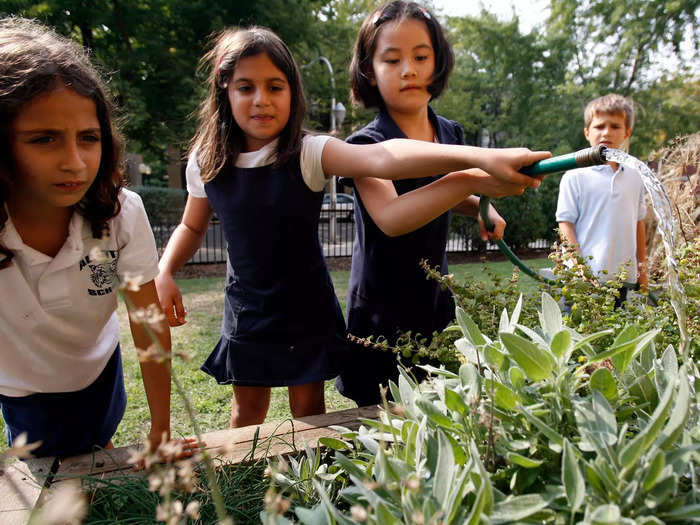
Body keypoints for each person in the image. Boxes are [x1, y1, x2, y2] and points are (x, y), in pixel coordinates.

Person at [155, 25, 549, 428]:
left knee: (308, 412)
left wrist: (482, 159)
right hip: (246, 309)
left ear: (294, 93)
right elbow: (191, 224)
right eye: (245, 87)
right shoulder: (206, 161)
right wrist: (166, 270)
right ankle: (242, 491)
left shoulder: (309, 152)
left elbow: (384, 158)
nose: (261, 100)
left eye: (275, 87)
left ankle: (308, 487)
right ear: (224, 90)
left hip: (306, 309)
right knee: (247, 411)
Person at [0, 17, 174, 458]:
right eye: (44, 139)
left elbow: (147, 324)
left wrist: (161, 428)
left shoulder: (120, 212)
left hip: (100, 368)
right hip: (24, 390)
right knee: (52, 470)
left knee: (98, 444)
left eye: (89, 137)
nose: (75, 162)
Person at [336, 1, 512, 407]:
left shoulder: (449, 132)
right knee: (380, 423)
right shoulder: (365, 145)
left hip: (435, 300)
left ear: (439, 62)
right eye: (392, 59)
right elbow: (393, 216)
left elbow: (439, 191)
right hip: (379, 310)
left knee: (439, 410)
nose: (408, 69)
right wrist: (470, 178)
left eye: (420, 56)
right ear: (369, 71)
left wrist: (480, 206)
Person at [556, 94, 647, 304]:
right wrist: (580, 268)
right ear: (587, 132)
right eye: (599, 126)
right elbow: (565, 225)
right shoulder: (575, 175)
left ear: (627, 132)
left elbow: (638, 223)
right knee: (578, 334)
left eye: (615, 126)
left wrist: (642, 268)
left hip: (620, 280)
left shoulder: (635, 175)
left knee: (616, 334)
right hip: (582, 280)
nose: (606, 132)